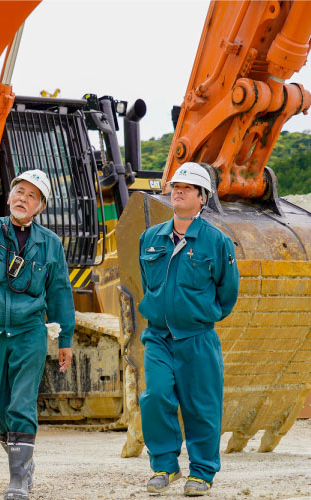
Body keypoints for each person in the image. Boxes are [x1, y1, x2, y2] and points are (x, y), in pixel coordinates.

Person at [0, 159, 75, 500]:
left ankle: (18, 480)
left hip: (30, 333)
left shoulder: (49, 244)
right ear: (9, 198)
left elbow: (60, 292)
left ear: (41, 206)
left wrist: (65, 338)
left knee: (21, 404)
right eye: (19, 191)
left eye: (32, 195)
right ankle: (23, 461)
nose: (23, 198)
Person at [138, 162, 239, 496]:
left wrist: (197, 317)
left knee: (201, 406)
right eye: (175, 186)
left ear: (202, 198)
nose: (177, 191)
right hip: (158, 337)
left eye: (187, 188)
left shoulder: (217, 242)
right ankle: (164, 465)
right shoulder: (150, 238)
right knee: (155, 396)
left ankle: (202, 473)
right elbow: (147, 284)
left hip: (197, 338)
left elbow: (228, 294)